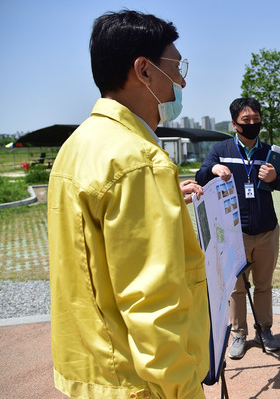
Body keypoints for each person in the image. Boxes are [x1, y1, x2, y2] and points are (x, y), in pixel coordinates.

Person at [48, 10, 210, 399]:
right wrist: (184, 389)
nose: (183, 80)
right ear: (145, 71)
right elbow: (152, 301)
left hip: (92, 370)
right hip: (140, 383)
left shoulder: (79, 145)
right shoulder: (137, 159)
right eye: (177, 66)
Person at [196, 97, 280, 360]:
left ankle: (265, 330)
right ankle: (238, 334)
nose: (252, 124)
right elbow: (201, 176)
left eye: (256, 119)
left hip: (266, 231)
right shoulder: (221, 149)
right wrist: (213, 168)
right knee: (236, 287)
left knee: (264, 284)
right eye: (246, 120)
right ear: (234, 123)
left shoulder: (269, 153)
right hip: (233, 233)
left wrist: (275, 178)